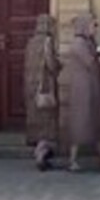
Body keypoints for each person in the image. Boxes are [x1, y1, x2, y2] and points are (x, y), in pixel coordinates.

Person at [61, 13, 100, 172]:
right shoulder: (79, 44)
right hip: (82, 90)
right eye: (93, 25)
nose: (95, 29)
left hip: (92, 86)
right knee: (81, 122)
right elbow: (90, 62)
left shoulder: (89, 42)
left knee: (95, 122)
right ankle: (73, 159)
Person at [24, 14, 60, 171]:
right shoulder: (47, 41)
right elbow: (51, 64)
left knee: (36, 120)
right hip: (45, 87)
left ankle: (40, 151)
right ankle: (41, 154)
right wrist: (59, 65)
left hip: (30, 88)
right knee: (46, 122)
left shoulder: (31, 42)